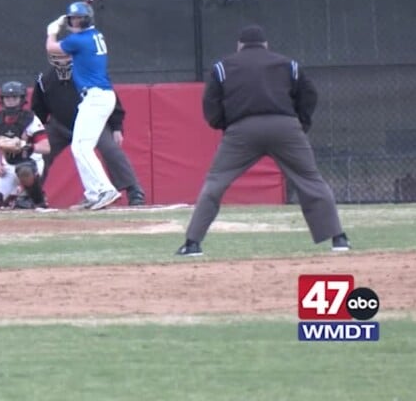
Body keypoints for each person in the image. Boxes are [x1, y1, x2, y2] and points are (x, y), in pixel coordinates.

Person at [176, 24, 349, 256]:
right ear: (266, 45)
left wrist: (226, 125)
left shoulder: (222, 66)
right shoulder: (289, 64)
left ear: (239, 46)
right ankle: (338, 239)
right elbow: (309, 95)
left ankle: (192, 243)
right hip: (285, 127)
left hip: (241, 131)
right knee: (310, 181)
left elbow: (211, 104)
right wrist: (301, 123)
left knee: (215, 183)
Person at [31, 51, 146, 207]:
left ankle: (134, 189)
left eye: (65, 56)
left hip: (91, 122)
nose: (62, 61)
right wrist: (36, 133)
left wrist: (117, 126)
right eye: (58, 57)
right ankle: (32, 195)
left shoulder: (89, 73)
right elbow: (39, 109)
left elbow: (108, 98)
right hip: (60, 124)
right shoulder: (44, 79)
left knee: (110, 150)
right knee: (40, 151)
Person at [43, 1, 121, 210]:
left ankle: (105, 189)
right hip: (97, 97)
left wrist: (52, 31)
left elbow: (52, 49)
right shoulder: (93, 35)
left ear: (87, 19)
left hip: (96, 97)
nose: (77, 21)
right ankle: (94, 193)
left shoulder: (78, 39)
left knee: (81, 147)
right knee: (80, 147)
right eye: (74, 18)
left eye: (79, 18)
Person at [0, 81, 51, 211]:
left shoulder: (30, 119)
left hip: (31, 164)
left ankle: (37, 199)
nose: (10, 101)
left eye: (14, 98)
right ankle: (12, 196)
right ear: (2, 100)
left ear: (21, 100)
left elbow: (46, 147)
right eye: (7, 98)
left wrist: (25, 146)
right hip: (9, 167)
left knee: (24, 170)